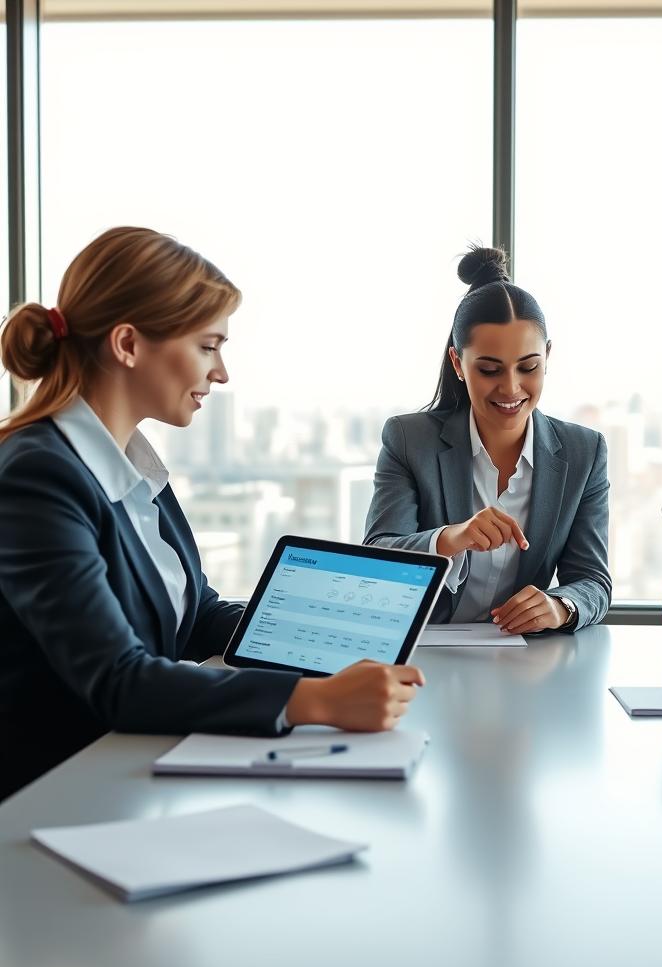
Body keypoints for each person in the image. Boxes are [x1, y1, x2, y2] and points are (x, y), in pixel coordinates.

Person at [0, 227, 422, 802]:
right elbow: (119, 680)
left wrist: (329, 641)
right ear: (127, 344)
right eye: (208, 345)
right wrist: (316, 700)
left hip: (131, 774)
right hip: (57, 797)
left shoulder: (128, 465)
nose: (220, 373)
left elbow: (193, 616)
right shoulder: (37, 475)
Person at [364, 246, 611, 634]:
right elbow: (377, 555)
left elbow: (593, 581)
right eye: (490, 369)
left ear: (548, 357)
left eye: (528, 367)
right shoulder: (410, 440)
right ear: (458, 364)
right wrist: (451, 538)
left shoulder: (585, 452)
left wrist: (560, 606)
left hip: (525, 659)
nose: (511, 388)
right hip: (424, 650)